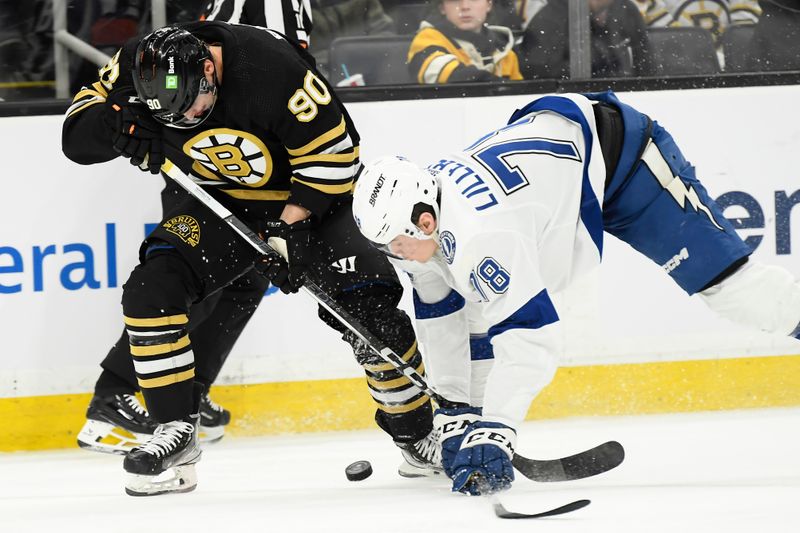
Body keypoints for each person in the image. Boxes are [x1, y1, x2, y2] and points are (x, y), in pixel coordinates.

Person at [351, 90, 800, 495]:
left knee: (737, 293)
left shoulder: (480, 235)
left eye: (396, 244)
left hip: (625, 161)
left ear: (425, 221)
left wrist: (496, 431)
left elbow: (532, 339)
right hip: (561, 168)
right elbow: (442, 310)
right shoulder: (416, 213)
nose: (395, 254)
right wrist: (454, 411)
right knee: (478, 297)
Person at [62, 21, 437, 496]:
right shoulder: (142, 62)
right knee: (151, 290)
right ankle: (176, 432)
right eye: (174, 119)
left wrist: (290, 226)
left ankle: (417, 437)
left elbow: (337, 156)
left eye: (196, 106)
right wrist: (113, 123)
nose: (190, 120)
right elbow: (75, 135)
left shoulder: (269, 68)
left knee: (372, 316)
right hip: (219, 201)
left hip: (314, 199)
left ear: (208, 69)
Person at [76, 0, 312, 456]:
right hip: (213, 159)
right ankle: (114, 397)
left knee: (245, 280)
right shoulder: (252, 23)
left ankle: (189, 393)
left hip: (240, 164)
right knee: (196, 280)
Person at [519, 0, 654, 79]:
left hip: (625, 96)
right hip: (571, 103)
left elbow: (646, 62)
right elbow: (537, 73)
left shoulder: (626, 10)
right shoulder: (550, 19)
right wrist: (597, 65)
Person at [408, 0, 523, 84]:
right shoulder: (427, 38)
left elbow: (519, 98)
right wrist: (498, 85)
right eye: (455, 0)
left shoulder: (505, 51)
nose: (465, 6)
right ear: (442, 7)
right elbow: (440, 73)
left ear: (489, 4)